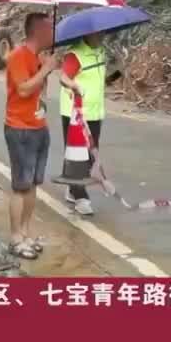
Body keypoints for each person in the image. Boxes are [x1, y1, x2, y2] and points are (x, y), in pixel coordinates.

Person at [3, 12, 57, 259]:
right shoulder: (17, 56)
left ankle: (26, 232)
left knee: (34, 184)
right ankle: (15, 238)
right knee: (20, 185)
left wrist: (48, 69)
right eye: (50, 28)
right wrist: (45, 70)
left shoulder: (38, 57)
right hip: (20, 128)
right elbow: (23, 89)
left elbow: (41, 92)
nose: (53, 33)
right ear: (38, 31)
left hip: (38, 126)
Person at [58, 31, 117, 216]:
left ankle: (71, 186)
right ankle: (81, 197)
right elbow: (64, 78)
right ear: (87, 34)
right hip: (75, 114)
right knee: (79, 157)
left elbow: (103, 82)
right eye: (97, 34)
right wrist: (73, 85)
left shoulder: (99, 52)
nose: (101, 36)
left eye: (102, 33)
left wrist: (118, 72)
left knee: (89, 155)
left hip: (94, 113)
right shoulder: (75, 54)